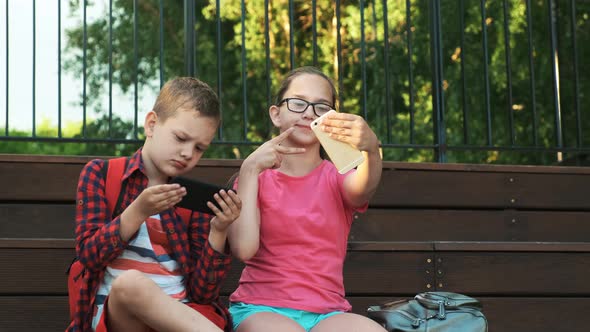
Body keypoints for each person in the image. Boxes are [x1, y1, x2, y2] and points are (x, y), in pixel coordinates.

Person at [68, 77, 241, 332]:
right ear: (151, 124)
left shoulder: (193, 199)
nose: (187, 153)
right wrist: (137, 212)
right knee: (131, 284)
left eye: (199, 148)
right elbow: (89, 257)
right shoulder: (101, 175)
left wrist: (219, 231)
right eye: (180, 138)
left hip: (180, 319)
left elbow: (202, 294)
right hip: (120, 319)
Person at [226, 66, 386, 332]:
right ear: (276, 114)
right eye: (298, 103)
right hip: (261, 309)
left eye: (321, 107)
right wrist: (249, 168)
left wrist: (370, 148)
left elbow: (363, 187)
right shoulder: (255, 177)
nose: (309, 113)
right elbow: (244, 249)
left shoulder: (338, 177)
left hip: (328, 314)